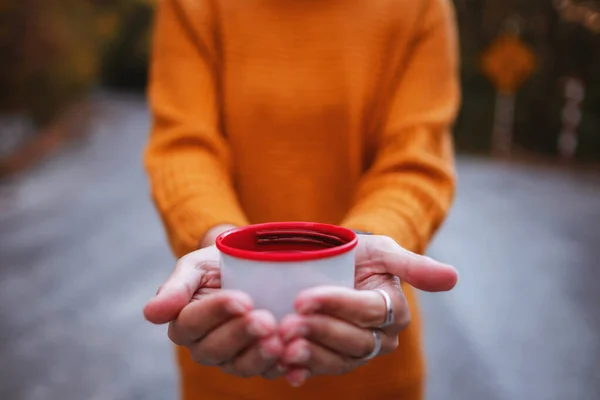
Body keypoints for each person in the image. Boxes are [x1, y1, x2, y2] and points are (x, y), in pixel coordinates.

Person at [142, 0, 460, 398]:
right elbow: (184, 144)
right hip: (227, 359)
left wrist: (367, 243)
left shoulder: (420, 7)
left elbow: (415, 159)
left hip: (372, 368)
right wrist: (220, 240)